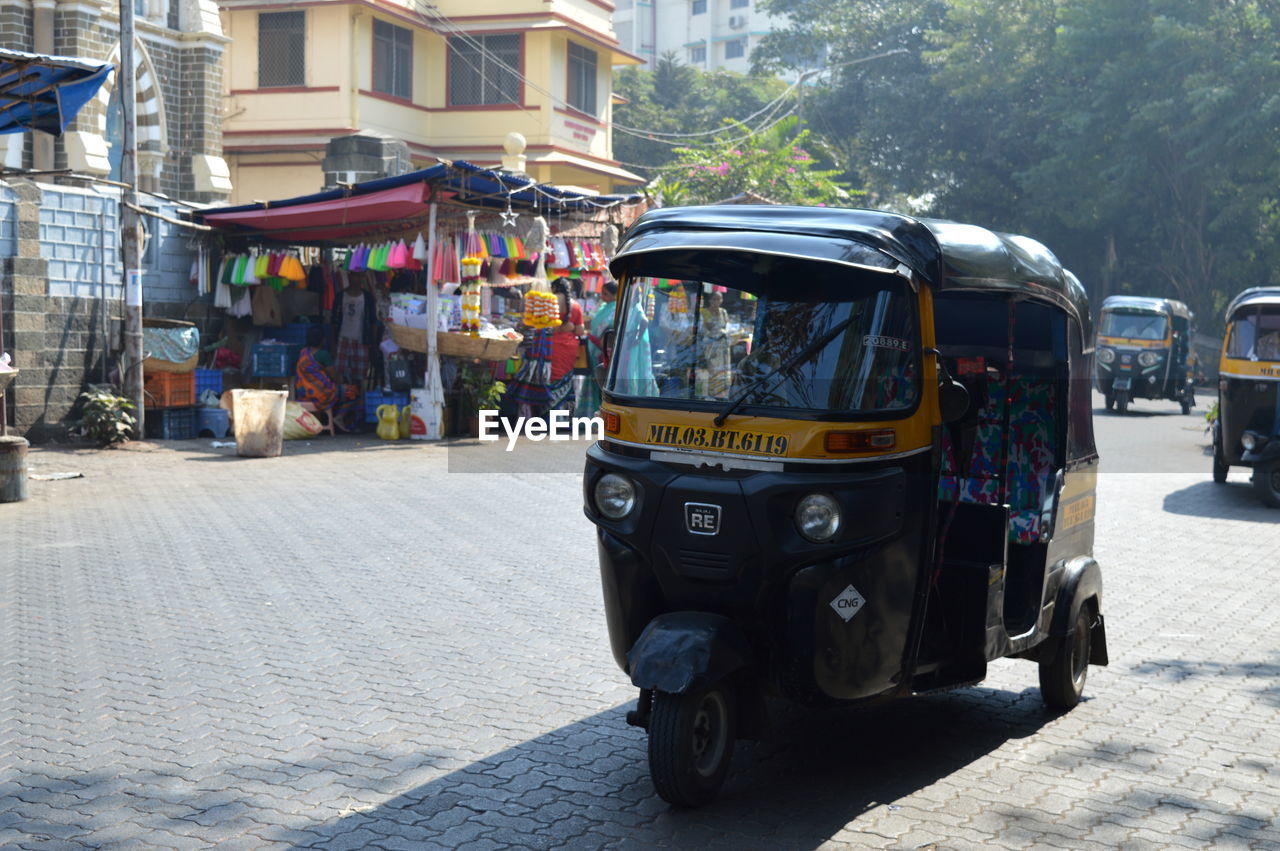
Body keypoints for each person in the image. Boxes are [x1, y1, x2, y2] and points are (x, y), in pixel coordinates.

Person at [504, 277, 585, 419]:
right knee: (564, 380)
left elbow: (532, 323)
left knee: (547, 379)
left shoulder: (547, 301)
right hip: (569, 349)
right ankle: (563, 419)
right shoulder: (576, 306)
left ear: (553, 288)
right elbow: (580, 331)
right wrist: (568, 327)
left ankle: (547, 417)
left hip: (548, 346)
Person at [295, 326, 362, 431]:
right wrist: (342, 383)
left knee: (341, 391)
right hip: (323, 394)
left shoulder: (303, 353)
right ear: (322, 340)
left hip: (305, 394)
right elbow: (334, 376)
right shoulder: (324, 355)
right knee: (353, 392)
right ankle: (339, 418)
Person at [577, 280, 618, 416]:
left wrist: (589, 337)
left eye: (605, 294)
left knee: (602, 386)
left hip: (605, 354)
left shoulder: (615, 311)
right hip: (595, 353)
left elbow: (606, 339)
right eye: (602, 293)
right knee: (596, 385)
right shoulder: (604, 308)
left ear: (615, 295)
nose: (602, 296)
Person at [697, 289, 732, 399]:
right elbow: (705, 329)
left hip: (722, 344)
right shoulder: (705, 312)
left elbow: (727, 326)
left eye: (719, 299)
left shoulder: (723, 312)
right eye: (714, 299)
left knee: (723, 369)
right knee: (712, 369)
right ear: (710, 300)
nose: (717, 301)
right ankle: (710, 393)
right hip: (711, 344)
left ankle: (721, 394)